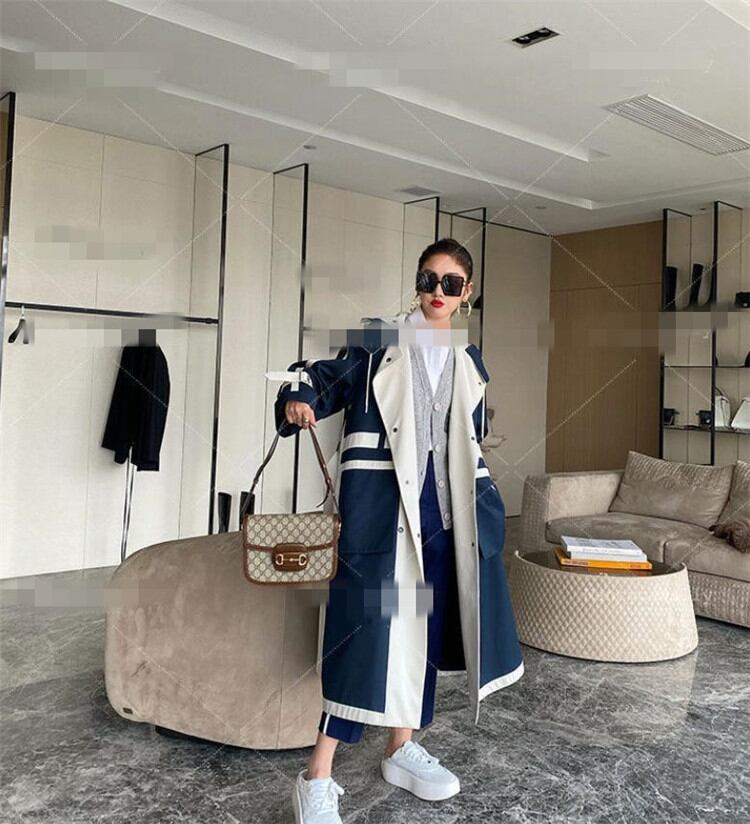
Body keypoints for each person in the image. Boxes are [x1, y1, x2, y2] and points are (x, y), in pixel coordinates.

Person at [274, 238, 524, 824]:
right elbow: (321, 377)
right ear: (418, 284)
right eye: (429, 279)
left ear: (467, 293)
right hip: (384, 516)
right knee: (365, 638)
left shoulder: (469, 361)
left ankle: (401, 748)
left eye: (451, 283)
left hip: (446, 517)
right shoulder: (377, 343)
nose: (438, 291)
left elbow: (471, 439)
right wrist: (299, 397)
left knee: (425, 634)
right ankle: (316, 776)